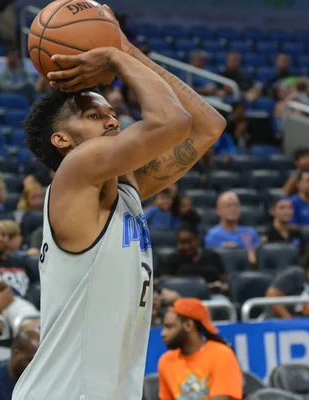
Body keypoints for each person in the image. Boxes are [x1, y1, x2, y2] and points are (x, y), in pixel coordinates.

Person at [13, 7, 224, 399]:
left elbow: (208, 125)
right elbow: (171, 121)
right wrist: (114, 57)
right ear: (62, 139)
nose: (112, 122)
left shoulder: (123, 191)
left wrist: (122, 43)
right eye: (94, 115)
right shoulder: (75, 170)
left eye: (113, 115)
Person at [158, 298, 242, 400]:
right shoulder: (165, 361)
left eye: (169, 327)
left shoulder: (221, 354)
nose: (163, 333)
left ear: (188, 325)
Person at [159, 223, 228, 294]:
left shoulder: (213, 256)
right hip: (182, 296)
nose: (186, 246)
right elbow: (165, 283)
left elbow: (225, 283)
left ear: (198, 240)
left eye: (189, 242)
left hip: (213, 296)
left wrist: (220, 288)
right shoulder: (172, 259)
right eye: (182, 243)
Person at [204, 191, 260, 265]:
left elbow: (254, 260)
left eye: (236, 205)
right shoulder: (213, 235)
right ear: (218, 211)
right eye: (228, 206)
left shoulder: (249, 233)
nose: (233, 209)